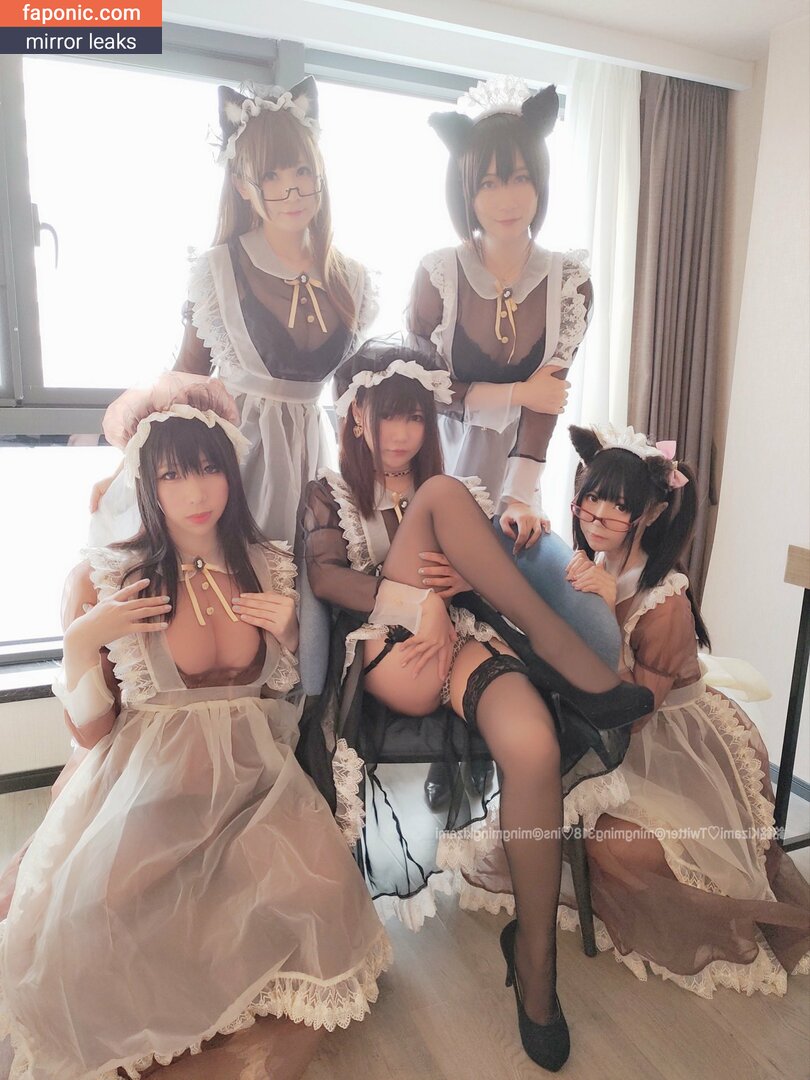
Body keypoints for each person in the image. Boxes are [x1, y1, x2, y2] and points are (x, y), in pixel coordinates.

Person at [0, 382, 389, 1080]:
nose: (195, 491)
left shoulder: (271, 565)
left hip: (255, 789)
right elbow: (92, 734)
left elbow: (286, 699)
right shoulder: (106, 579)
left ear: (232, 469)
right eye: (172, 475)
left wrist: (294, 634)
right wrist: (82, 642)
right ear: (145, 482)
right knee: (87, 931)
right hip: (149, 789)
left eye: (209, 467)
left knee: (324, 904)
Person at [301, 339, 652, 1071]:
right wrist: (418, 601)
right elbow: (328, 580)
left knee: (534, 746)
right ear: (357, 414)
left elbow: (485, 567)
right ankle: (561, 654)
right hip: (388, 651)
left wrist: (479, 565)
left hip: (461, 640)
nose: (403, 433)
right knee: (439, 495)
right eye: (388, 415)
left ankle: (535, 963)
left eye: (416, 418)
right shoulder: (328, 492)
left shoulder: (456, 492)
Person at [408, 76, 619, 805]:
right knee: (456, 606)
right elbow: (427, 392)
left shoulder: (569, 282)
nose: (507, 197)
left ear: (541, 182)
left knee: (591, 626)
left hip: (513, 489)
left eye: (521, 177)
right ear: (466, 189)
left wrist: (523, 496)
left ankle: (554, 754)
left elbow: (548, 405)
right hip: (437, 485)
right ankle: (460, 750)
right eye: (490, 182)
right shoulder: (438, 275)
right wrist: (516, 392)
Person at [557, 423, 810, 996]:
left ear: (648, 514)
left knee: (611, 843)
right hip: (610, 730)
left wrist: (601, 615)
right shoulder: (590, 563)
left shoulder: (664, 601)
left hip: (670, 743)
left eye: (618, 505)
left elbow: (634, 712)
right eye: (591, 497)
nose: (597, 514)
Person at [92, 77, 376, 549]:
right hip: (230, 455)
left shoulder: (354, 279)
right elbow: (185, 380)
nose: (291, 190)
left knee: (301, 579)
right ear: (243, 186)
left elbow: (355, 398)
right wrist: (127, 470)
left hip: (312, 453)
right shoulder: (219, 270)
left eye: (302, 171)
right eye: (271, 176)